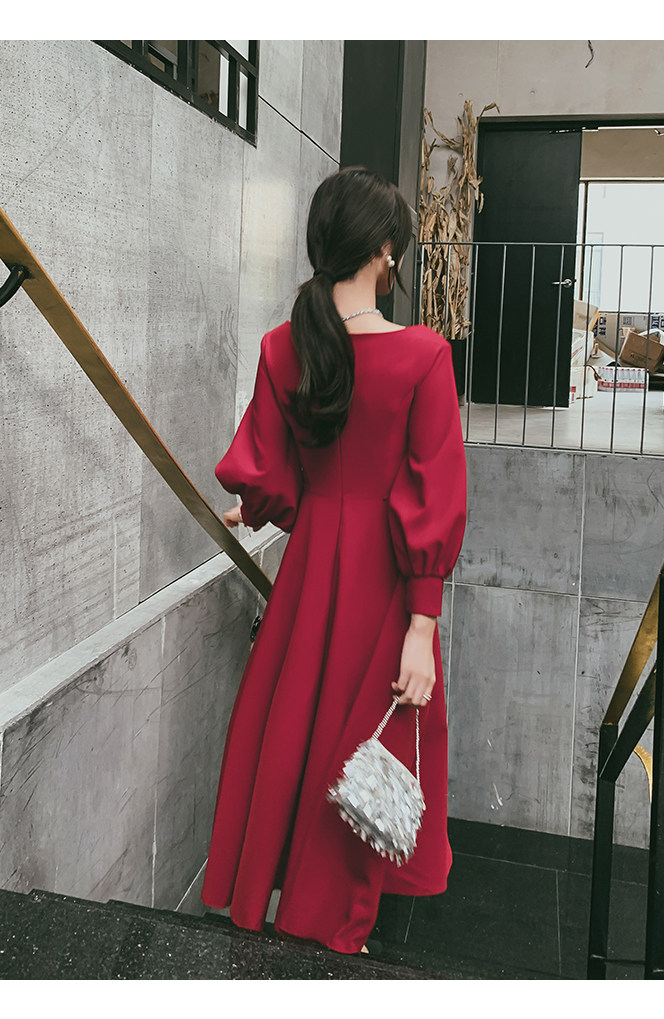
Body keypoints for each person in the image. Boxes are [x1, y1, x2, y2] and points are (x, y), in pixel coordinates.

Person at [201, 166, 467, 955]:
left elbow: (271, 471)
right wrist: (422, 626)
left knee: (295, 731)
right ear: (385, 251)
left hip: (311, 570)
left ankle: (282, 902)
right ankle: (333, 922)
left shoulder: (284, 346)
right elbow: (435, 492)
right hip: (386, 584)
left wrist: (256, 509)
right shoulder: (422, 356)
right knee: (359, 746)